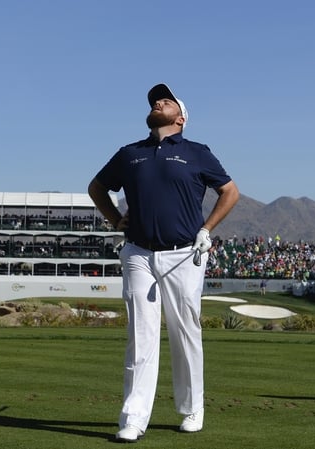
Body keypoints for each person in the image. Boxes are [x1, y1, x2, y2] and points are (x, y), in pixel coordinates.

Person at [88, 83, 240, 442]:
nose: (158, 102)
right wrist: (114, 219)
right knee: (140, 337)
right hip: (139, 252)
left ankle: (191, 410)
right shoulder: (130, 153)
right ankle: (134, 418)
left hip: (184, 254)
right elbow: (97, 187)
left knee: (185, 333)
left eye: (166, 101)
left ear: (181, 118)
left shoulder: (196, 152)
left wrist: (207, 229)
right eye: (156, 100)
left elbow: (230, 191)